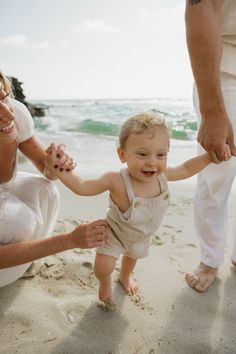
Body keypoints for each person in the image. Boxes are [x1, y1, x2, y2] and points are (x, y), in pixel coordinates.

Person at [44, 112, 226, 304]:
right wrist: (60, 170)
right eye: (142, 154)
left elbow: (187, 168)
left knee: (132, 259)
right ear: (122, 155)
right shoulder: (116, 180)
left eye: (161, 155)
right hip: (114, 234)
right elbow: (82, 187)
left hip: (141, 235)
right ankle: (105, 282)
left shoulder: (163, 176)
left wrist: (210, 158)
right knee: (103, 267)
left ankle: (124, 276)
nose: (152, 162)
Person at [0, 71, 106, 288]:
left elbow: (46, 169)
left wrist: (55, 164)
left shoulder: (15, 113)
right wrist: (68, 241)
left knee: (45, 189)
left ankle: (24, 260)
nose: (8, 114)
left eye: (2, 97)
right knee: (19, 222)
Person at [185, 0, 236, 292]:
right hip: (227, 70)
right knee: (216, 174)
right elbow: (202, 6)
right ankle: (210, 258)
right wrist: (213, 110)